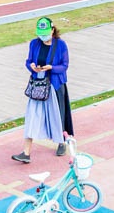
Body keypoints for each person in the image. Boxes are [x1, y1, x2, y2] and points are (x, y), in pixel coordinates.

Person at [13, 17, 72, 163]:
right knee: (32, 115)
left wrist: (52, 68)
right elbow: (28, 61)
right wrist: (32, 67)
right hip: (38, 84)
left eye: (45, 32)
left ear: (52, 30)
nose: (42, 36)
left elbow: (65, 65)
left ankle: (61, 142)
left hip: (55, 84)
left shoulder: (61, 45)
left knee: (57, 115)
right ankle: (26, 152)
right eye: (40, 33)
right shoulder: (34, 43)